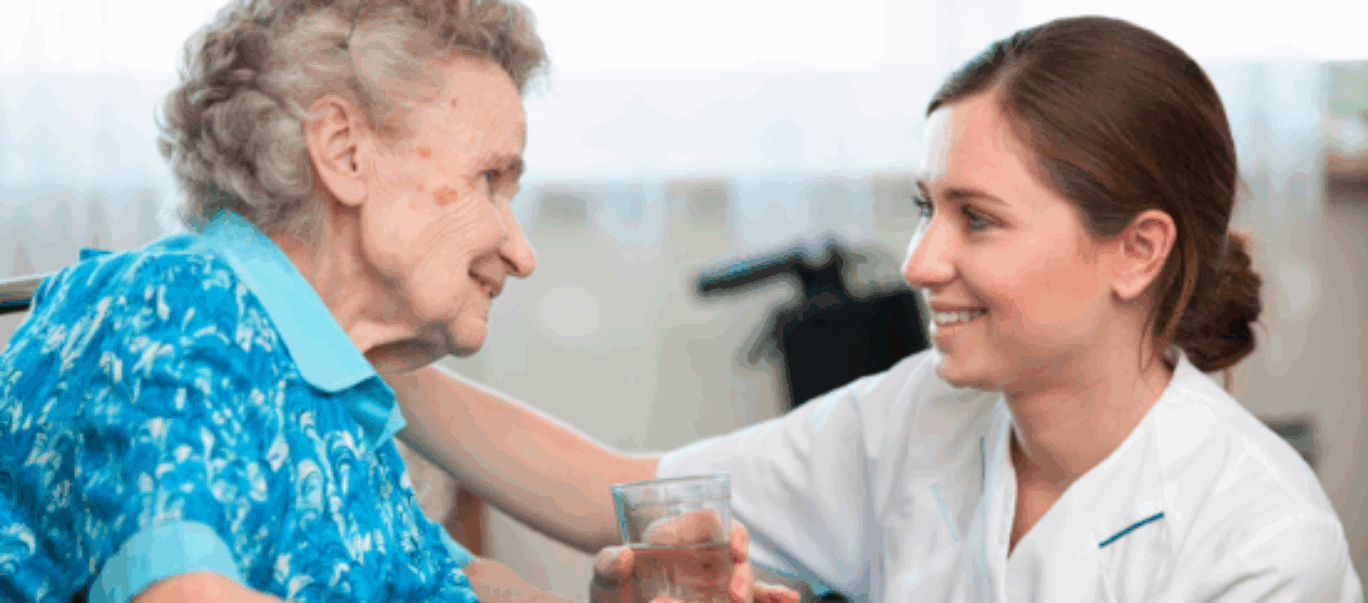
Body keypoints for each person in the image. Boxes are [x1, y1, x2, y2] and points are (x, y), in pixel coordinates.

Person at [386, 15, 1365, 602]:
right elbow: (623, 489)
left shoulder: (1262, 546)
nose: (920, 261)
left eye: (979, 219)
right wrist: (361, 349)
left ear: (1137, 251)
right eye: (927, 208)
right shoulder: (926, 412)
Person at [0, 0, 796, 602]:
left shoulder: (333, 394)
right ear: (345, 152)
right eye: (490, 179)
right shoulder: (176, 307)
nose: (522, 253)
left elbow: (454, 585)